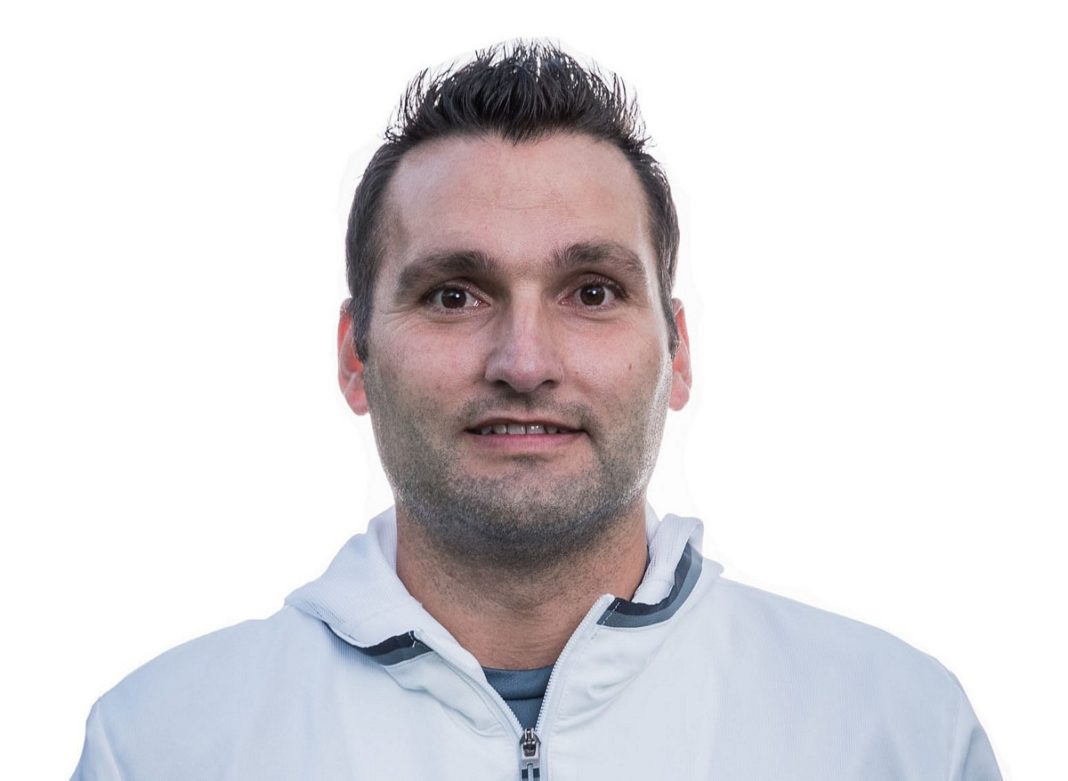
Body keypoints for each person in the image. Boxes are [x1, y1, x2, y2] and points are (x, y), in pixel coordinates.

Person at [71, 41, 1002, 780]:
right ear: (355, 356)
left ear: (677, 352)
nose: (524, 361)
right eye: (454, 295)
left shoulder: (896, 733)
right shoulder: (160, 746)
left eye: (591, 292)